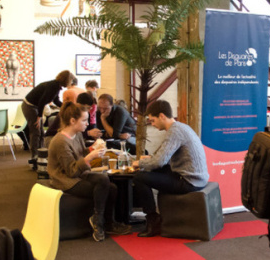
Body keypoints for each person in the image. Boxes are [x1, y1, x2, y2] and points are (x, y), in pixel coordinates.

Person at [47, 102, 132, 242]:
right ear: (72, 121)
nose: (88, 124)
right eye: (84, 120)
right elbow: (71, 172)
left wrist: (93, 149)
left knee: (111, 186)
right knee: (105, 183)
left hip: (78, 175)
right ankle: (99, 222)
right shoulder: (60, 141)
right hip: (64, 180)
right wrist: (90, 157)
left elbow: (80, 154)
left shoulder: (77, 135)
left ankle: (104, 221)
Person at [132, 100, 208, 238]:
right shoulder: (180, 127)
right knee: (148, 170)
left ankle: (153, 220)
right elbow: (161, 157)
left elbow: (160, 161)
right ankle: (154, 216)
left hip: (189, 181)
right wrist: (147, 160)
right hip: (194, 176)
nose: (152, 124)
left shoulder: (175, 132)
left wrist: (138, 164)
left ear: (162, 116)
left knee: (139, 177)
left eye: (153, 120)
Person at [22, 70, 72, 162]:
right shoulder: (53, 86)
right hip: (29, 106)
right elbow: (42, 101)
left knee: (41, 132)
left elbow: (56, 101)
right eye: (70, 81)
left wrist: (66, 107)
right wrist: (39, 117)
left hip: (34, 106)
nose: (70, 83)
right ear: (66, 80)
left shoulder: (56, 86)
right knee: (36, 131)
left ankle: (42, 154)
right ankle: (35, 156)